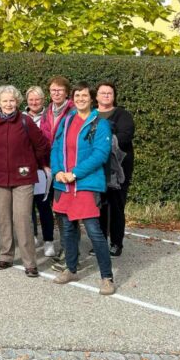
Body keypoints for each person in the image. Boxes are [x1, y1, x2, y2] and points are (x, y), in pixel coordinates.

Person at [51, 83, 116, 295]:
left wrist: (75, 173)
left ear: (92, 98)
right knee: (68, 230)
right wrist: (57, 171)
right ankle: (71, 268)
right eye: (77, 95)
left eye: (84, 95)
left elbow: (100, 154)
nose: (80, 99)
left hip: (86, 184)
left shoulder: (100, 123)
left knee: (94, 231)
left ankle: (107, 277)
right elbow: (56, 147)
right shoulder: (67, 119)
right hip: (64, 184)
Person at [0, 85, 50, 278]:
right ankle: (6, 256)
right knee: (3, 219)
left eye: (12, 100)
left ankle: (30, 262)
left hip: (23, 178)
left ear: (17, 102)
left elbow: (41, 145)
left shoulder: (26, 121)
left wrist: (33, 163)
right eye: (5, 101)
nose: (8, 104)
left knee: (22, 220)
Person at [96, 81, 135, 257]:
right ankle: (100, 241)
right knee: (99, 205)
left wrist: (101, 143)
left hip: (117, 170)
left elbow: (125, 136)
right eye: (102, 93)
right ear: (96, 96)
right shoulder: (90, 115)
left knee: (116, 206)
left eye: (109, 93)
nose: (105, 95)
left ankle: (116, 243)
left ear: (114, 96)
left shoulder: (122, 115)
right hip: (96, 167)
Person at [40, 75, 74, 270]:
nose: (56, 93)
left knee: (67, 212)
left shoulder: (73, 111)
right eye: (53, 90)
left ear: (66, 92)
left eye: (60, 90)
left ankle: (70, 249)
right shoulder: (47, 112)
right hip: (49, 166)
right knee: (57, 210)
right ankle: (65, 247)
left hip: (65, 167)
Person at [25, 85, 56, 257]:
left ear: (43, 100)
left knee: (44, 206)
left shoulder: (49, 117)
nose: (34, 102)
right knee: (27, 206)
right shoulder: (21, 117)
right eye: (31, 99)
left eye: (37, 99)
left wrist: (46, 164)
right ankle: (33, 236)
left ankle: (49, 241)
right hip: (26, 169)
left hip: (44, 168)